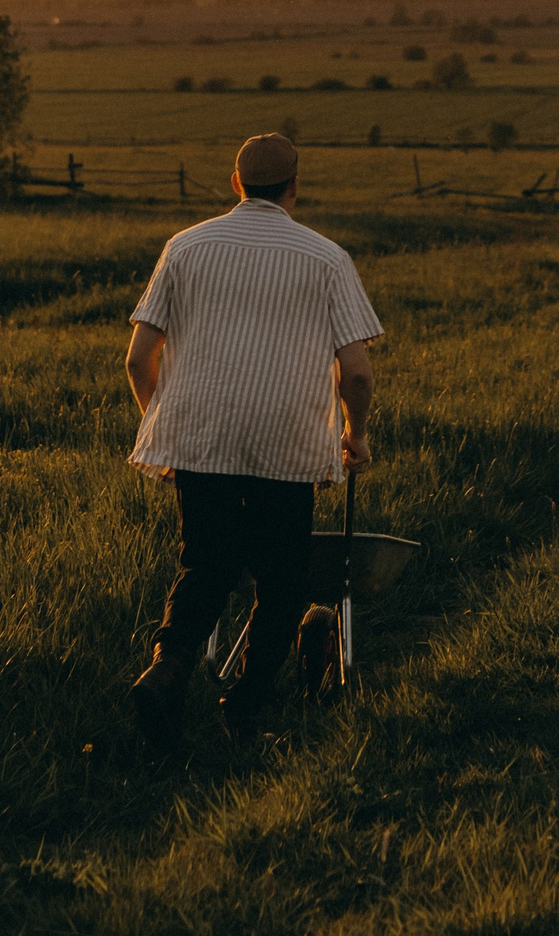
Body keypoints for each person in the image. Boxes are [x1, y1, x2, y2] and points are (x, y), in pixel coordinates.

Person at [122, 133, 381, 740]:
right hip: (286, 443)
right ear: (295, 187)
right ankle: (246, 707)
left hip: (199, 438)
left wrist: (166, 426)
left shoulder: (184, 247)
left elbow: (138, 360)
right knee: (283, 580)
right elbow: (359, 371)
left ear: (236, 183)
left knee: (205, 566)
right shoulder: (325, 258)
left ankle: (166, 671)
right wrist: (356, 434)